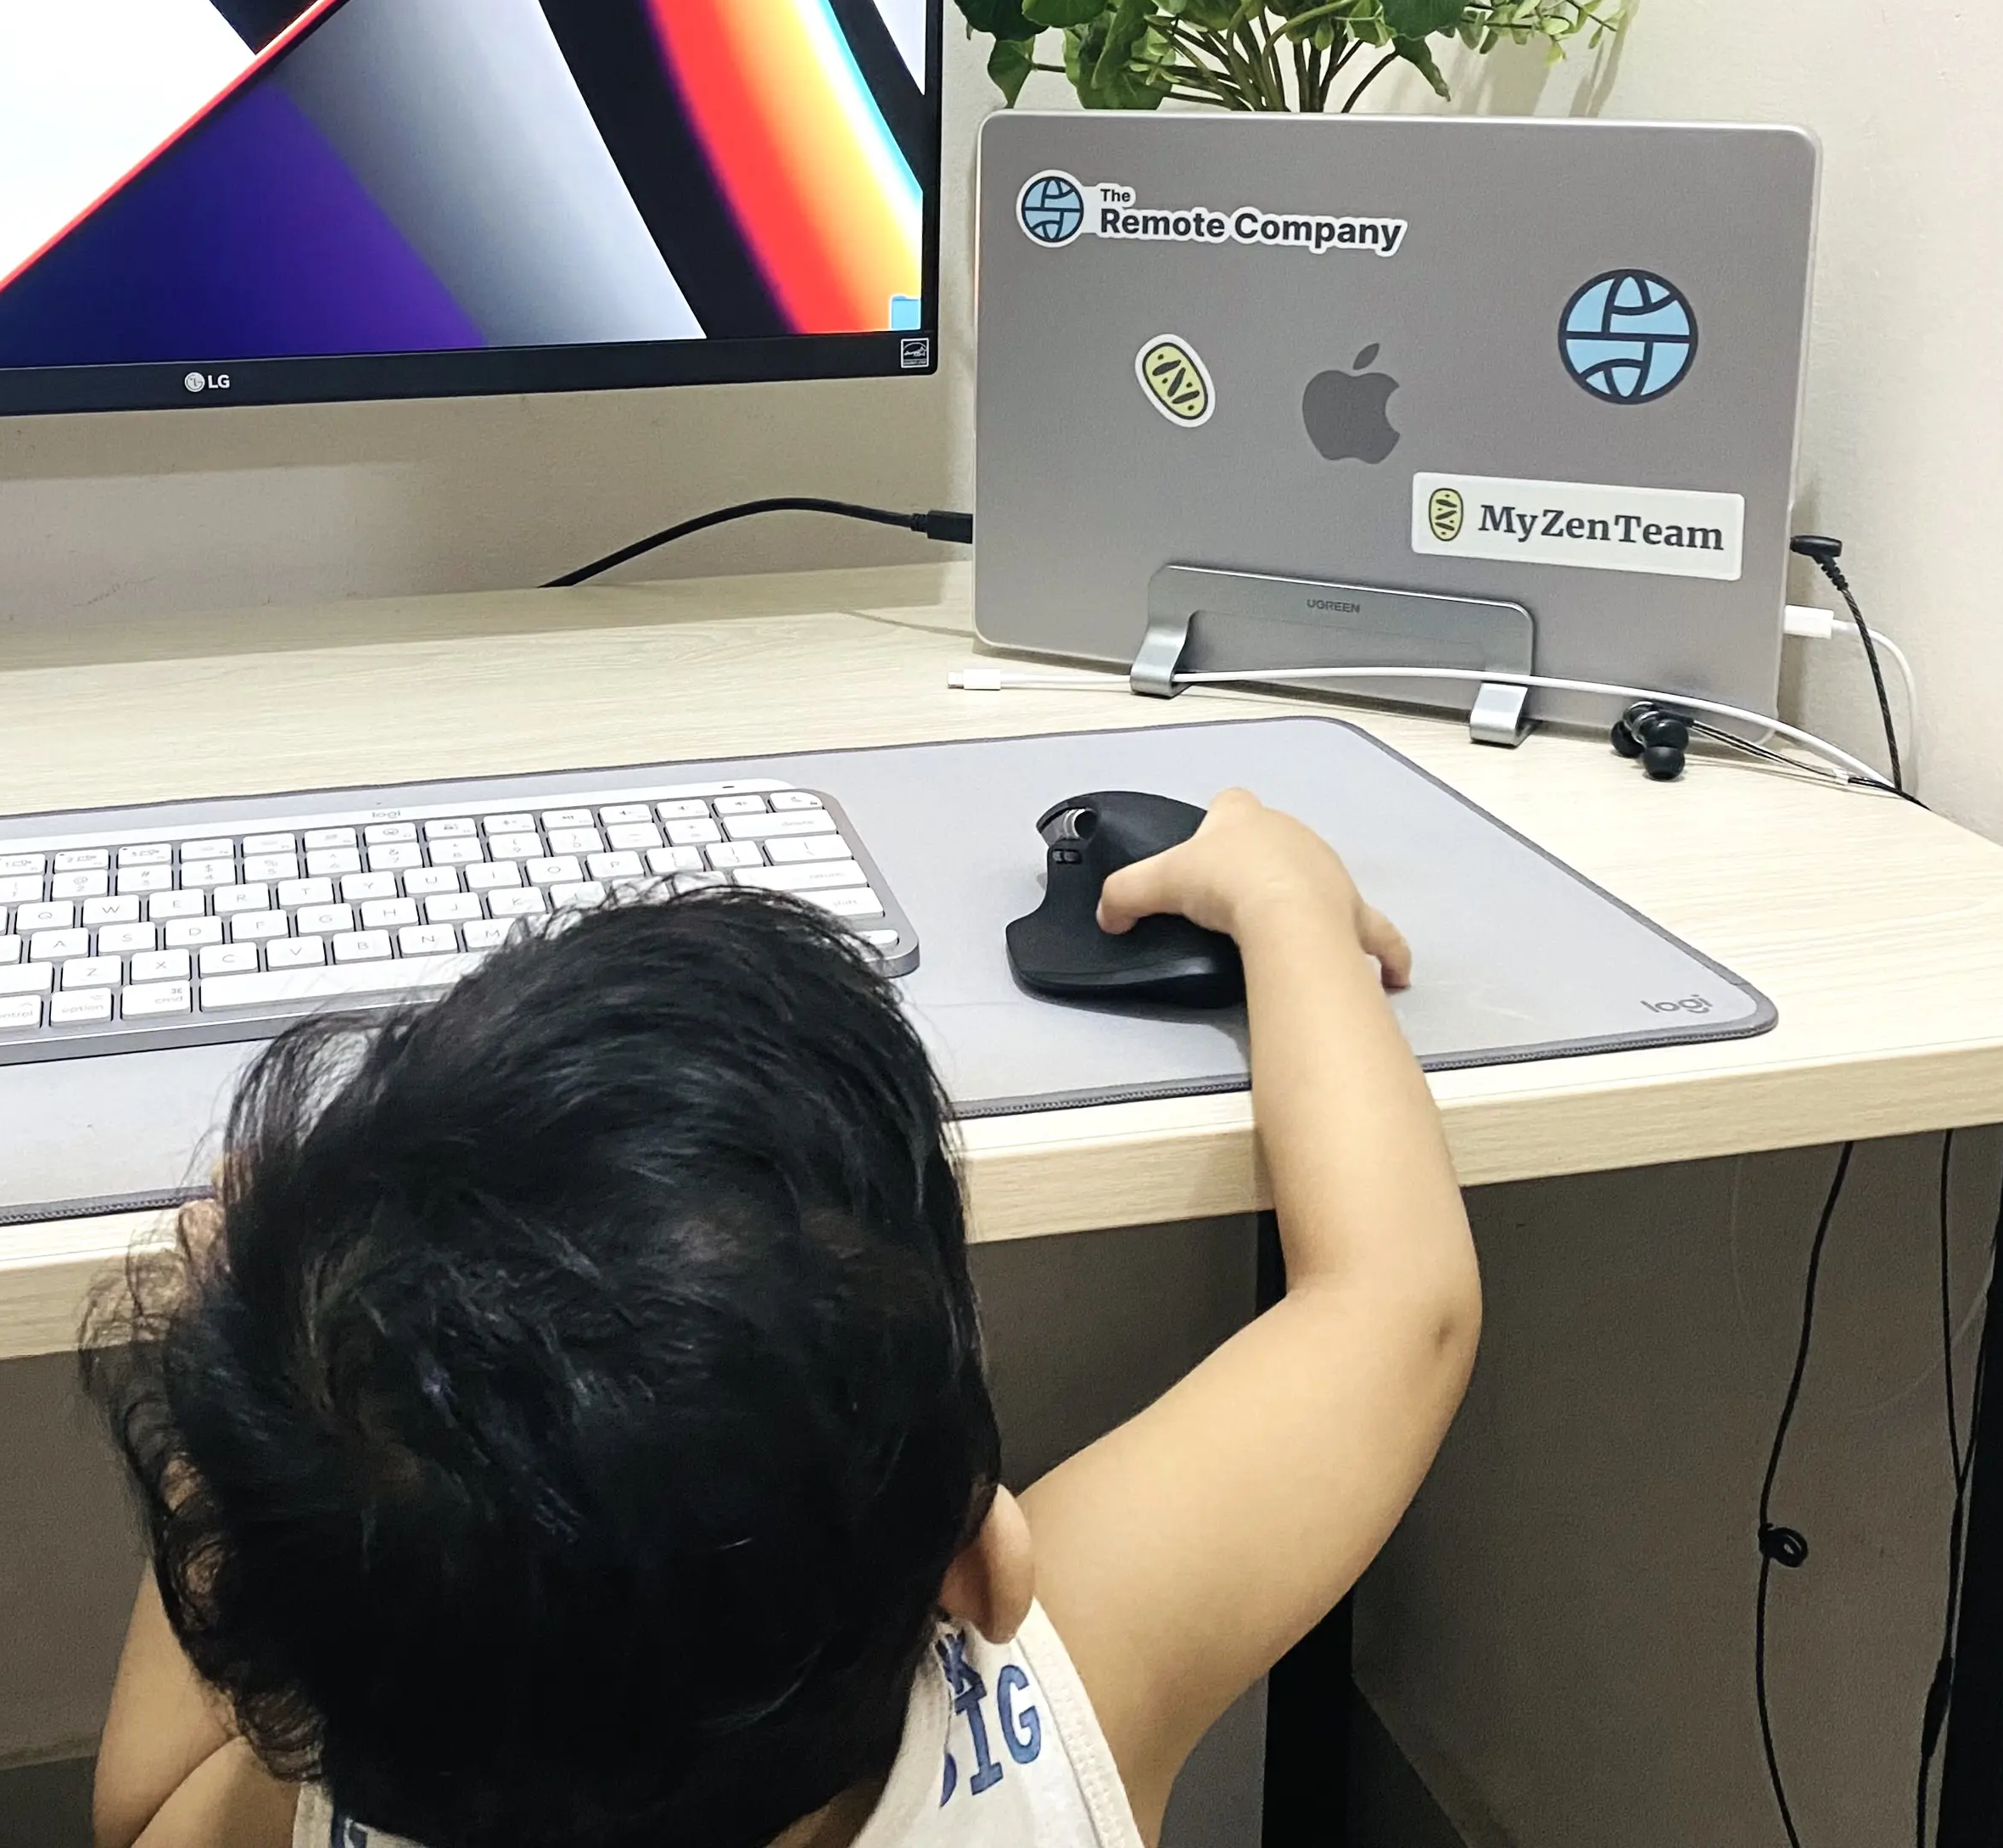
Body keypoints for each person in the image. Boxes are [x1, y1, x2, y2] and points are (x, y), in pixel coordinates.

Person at [84, 789, 1480, 1848]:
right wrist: (1292, 907)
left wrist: (260, 1323)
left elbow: (138, 1809)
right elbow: (1393, 1302)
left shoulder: (320, 1793)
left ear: (286, 1667)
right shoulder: (1058, 1707)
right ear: (985, 1564)